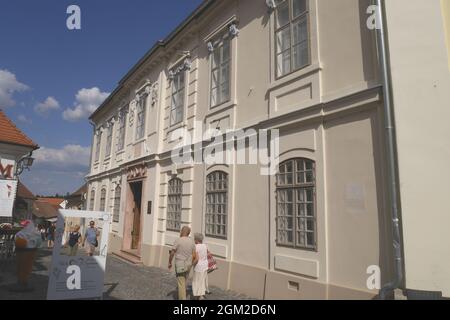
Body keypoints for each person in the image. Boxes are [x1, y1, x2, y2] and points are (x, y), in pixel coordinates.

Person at [168, 226, 197, 300]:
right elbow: (194, 254)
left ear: (182, 231)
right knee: (185, 280)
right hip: (188, 264)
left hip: (180, 263)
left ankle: (182, 298)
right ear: (188, 233)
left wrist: (169, 261)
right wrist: (192, 263)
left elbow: (172, 252)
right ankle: (182, 295)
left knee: (181, 282)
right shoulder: (192, 241)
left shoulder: (178, 240)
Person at [192, 233, 209, 300]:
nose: (194, 240)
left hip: (198, 266)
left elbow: (196, 259)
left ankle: (198, 296)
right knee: (202, 281)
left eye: (194, 239)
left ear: (196, 240)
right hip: (205, 265)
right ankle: (201, 295)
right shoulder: (205, 245)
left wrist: (192, 264)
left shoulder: (196, 247)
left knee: (196, 281)